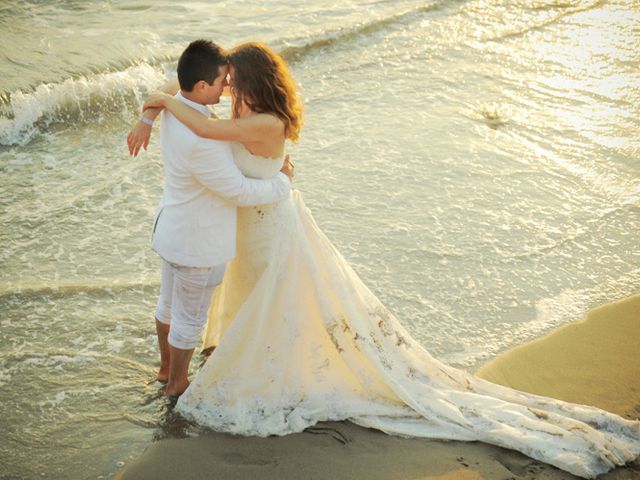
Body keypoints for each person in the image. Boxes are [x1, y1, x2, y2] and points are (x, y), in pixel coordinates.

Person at [136, 42, 639, 479]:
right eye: (221, 81)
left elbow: (203, 132)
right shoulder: (242, 116)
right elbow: (201, 114)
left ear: (252, 82)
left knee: (276, 302)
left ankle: (253, 364)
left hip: (271, 225)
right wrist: (153, 108)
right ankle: (225, 357)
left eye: (231, 80)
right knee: (254, 301)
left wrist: (161, 102)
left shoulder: (261, 123)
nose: (225, 88)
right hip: (253, 226)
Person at [128, 39, 292, 397]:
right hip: (198, 244)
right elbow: (237, 191)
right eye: (222, 80)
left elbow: (166, 93)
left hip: (172, 230)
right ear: (202, 86)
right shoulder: (203, 137)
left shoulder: (179, 107)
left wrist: (147, 117)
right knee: (189, 317)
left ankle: (166, 368)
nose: (227, 87)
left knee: (167, 305)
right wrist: (283, 183)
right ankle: (177, 384)